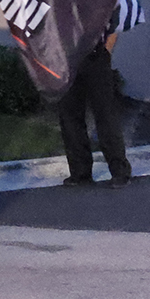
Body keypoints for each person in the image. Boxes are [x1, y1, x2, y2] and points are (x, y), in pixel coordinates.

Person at [58, 30, 131, 189]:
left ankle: (120, 172)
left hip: (96, 56)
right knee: (69, 115)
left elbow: (114, 20)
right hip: (66, 58)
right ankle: (80, 173)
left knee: (105, 114)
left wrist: (106, 51)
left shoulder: (97, 3)